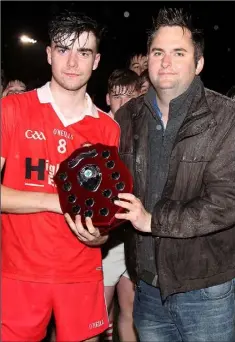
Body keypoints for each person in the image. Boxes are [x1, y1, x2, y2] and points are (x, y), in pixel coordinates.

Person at [111, 7, 234, 342]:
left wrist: (154, 221)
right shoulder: (127, 118)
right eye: (158, 52)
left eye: (179, 53)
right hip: (147, 289)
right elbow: (114, 189)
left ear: (198, 64)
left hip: (206, 290)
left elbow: (226, 201)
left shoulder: (226, 118)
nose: (166, 62)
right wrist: (99, 229)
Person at [1, 11, 120, 342]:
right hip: (18, 273)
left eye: (83, 52)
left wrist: (101, 235)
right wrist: (55, 202)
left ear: (95, 61)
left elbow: (104, 210)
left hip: (82, 273)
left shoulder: (108, 129)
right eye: (63, 49)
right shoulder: (12, 110)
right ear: (49, 53)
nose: (72, 61)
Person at [103, 68, 140, 341]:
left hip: (136, 235)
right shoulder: (98, 128)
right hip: (107, 238)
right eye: (117, 96)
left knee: (130, 312)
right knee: (99, 315)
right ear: (107, 99)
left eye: (129, 95)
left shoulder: (146, 132)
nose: (123, 102)